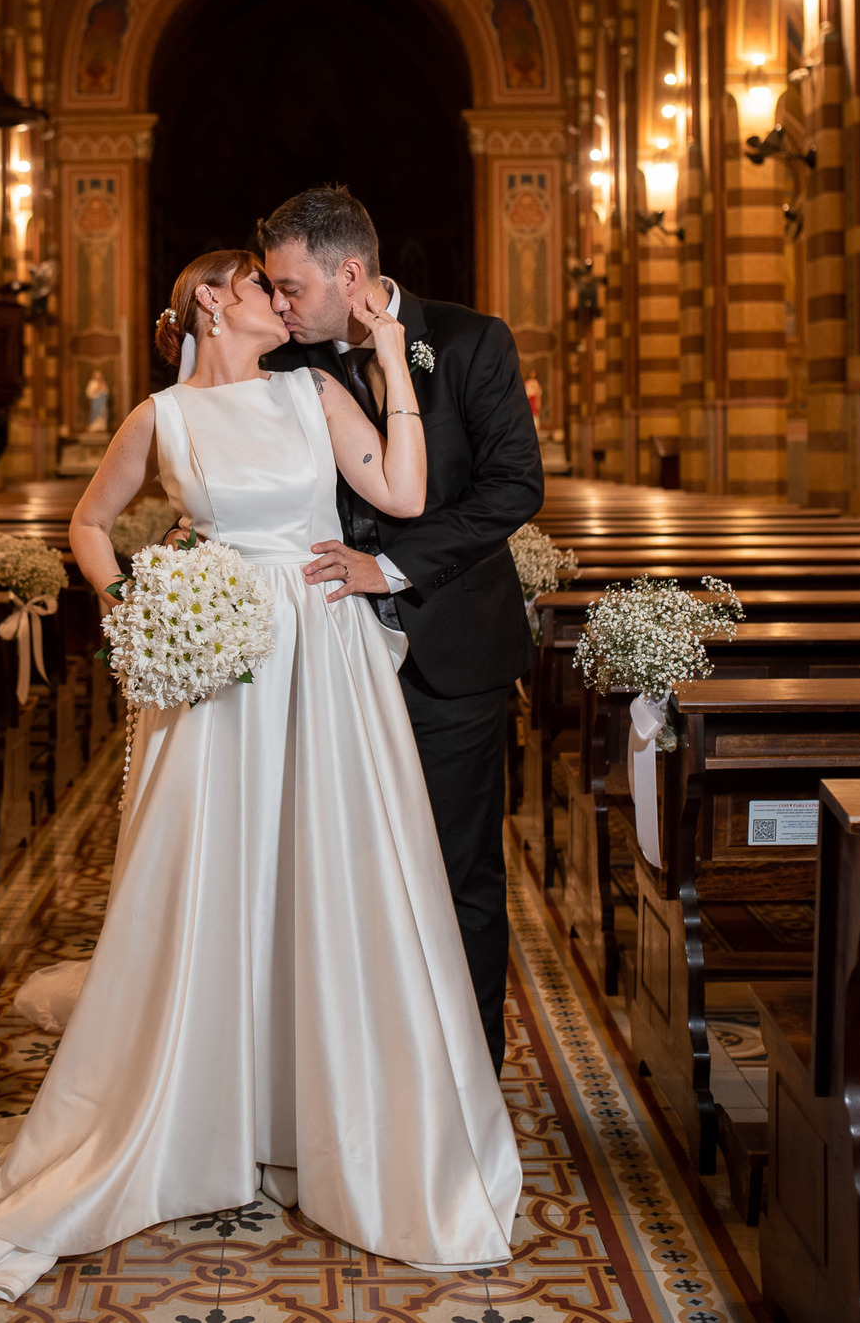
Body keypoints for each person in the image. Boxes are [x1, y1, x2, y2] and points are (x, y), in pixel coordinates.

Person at [0, 247, 520, 1297]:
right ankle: (205, 1101)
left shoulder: (314, 388)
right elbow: (89, 523)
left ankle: (324, 1100)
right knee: (216, 874)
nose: (283, 303)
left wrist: (390, 358)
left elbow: (403, 486)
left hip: (323, 651)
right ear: (213, 301)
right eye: (263, 287)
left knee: (327, 868)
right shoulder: (160, 417)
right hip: (215, 662)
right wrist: (137, 605)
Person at [260, 187, 544, 1076]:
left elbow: (513, 489)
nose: (278, 305)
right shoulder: (287, 370)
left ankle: (469, 1080)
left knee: (461, 878)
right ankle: (366, 1080)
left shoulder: (468, 341)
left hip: (452, 652)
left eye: (290, 287)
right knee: (343, 875)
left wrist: (392, 566)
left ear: (350, 275)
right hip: (333, 656)